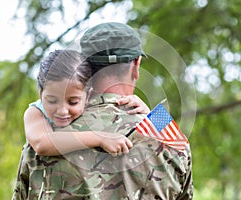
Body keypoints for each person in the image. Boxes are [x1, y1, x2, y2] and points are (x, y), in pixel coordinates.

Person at [13, 22, 193, 199]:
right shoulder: (173, 140)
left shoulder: (48, 135)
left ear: (85, 68)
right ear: (136, 65)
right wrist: (149, 118)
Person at [23, 49, 149, 156]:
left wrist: (147, 112)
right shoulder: (35, 112)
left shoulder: (98, 104)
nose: (62, 111)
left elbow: (164, 132)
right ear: (41, 94)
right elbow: (42, 144)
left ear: (88, 95)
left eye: (73, 102)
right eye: (51, 100)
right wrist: (100, 138)